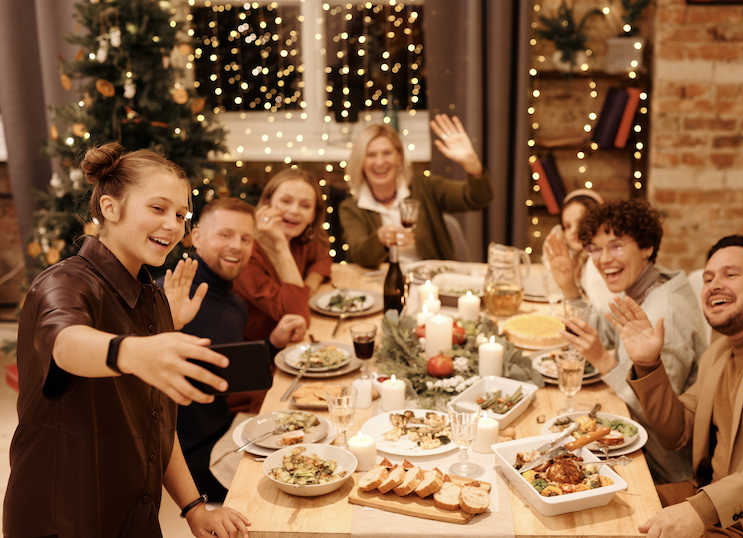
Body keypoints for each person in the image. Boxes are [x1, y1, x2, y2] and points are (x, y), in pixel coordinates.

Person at [4, 143, 250, 538]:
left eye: (181, 214)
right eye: (158, 208)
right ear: (110, 208)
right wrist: (133, 350)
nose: (173, 224)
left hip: (134, 515)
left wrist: (194, 508)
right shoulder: (63, 282)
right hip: (65, 517)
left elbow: (157, 425)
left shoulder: (152, 297)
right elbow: (66, 345)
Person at [613, 235, 743, 538]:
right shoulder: (717, 353)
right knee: (606, 509)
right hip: (713, 508)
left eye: (731, 274)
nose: (714, 284)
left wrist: (702, 509)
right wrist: (649, 364)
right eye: (708, 278)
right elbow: (676, 432)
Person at [159, 198, 307, 503]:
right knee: (293, 488)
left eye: (245, 238)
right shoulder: (168, 296)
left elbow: (224, 366)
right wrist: (167, 328)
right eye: (224, 235)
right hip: (188, 459)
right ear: (196, 237)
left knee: (312, 447)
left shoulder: (234, 303)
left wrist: (272, 343)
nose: (236, 246)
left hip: (228, 430)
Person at [559, 198, 707, 484]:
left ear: (646, 247)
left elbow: (658, 420)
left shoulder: (663, 312)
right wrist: (568, 285)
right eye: (596, 249)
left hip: (663, 469)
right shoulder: (646, 284)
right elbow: (606, 332)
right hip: (638, 444)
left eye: (616, 246)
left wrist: (603, 360)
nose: (602, 260)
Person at [339, 114, 494, 268]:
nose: (379, 162)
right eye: (371, 155)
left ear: (399, 157)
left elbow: (479, 198)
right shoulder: (351, 208)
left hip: (433, 281)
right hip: (386, 283)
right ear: (361, 161)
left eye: (387, 153)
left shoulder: (425, 186)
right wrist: (380, 239)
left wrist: (471, 163)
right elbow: (360, 256)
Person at [233, 168, 331, 342]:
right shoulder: (244, 252)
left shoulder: (297, 239)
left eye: (305, 205)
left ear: (312, 216)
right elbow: (297, 317)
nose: (294, 211)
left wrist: (312, 281)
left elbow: (323, 256)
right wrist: (281, 246)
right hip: (259, 351)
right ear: (267, 203)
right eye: (286, 201)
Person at [541, 188, 614, 311]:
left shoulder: (596, 264)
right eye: (567, 226)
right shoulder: (576, 259)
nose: (574, 230)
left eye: (581, 223)